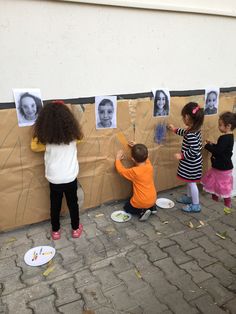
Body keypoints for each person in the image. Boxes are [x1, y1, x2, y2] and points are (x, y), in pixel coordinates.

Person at [31, 101, 84, 240]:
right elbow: (81, 137)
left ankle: (55, 231)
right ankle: (75, 229)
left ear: (45, 122)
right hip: (70, 178)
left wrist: (38, 132)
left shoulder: (46, 142)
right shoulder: (74, 138)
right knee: (73, 204)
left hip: (54, 179)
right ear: (69, 121)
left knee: (55, 205)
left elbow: (33, 146)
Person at [168, 102, 204, 213]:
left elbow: (194, 150)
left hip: (192, 163)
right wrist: (174, 129)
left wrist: (182, 155)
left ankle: (196, 205)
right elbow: (184, 132)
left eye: (183, 116)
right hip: (191, 162)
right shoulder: (192, 129)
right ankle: (189, 198)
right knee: (189, 181)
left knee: (192, 182)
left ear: (187, 117)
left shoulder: (192, 133)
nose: (183, 119)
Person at [201, 112, 236, 213]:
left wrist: (207, 146)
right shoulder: (230, 137)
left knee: (223, 186)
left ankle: (227, 204)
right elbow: (221, 148)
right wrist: (212, 144)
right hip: (221, 166)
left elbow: (218, 151)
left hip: (223, 167)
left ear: (228, 126)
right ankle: (215, 197)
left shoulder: (224, 138)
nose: (218, 127)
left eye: (220, 125)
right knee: (215, 181)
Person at [115, 141, 157, 221]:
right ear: (147, 155)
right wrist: (136, 146)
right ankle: (151, 207)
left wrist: (117, 159)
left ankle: (142, 211)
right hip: (153, 198)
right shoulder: (149, 166)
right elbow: (145, 157)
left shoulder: (134, 171)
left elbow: (121, 171)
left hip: (140, 201)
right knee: (147, 201)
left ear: (132, 159)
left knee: (127, 207)